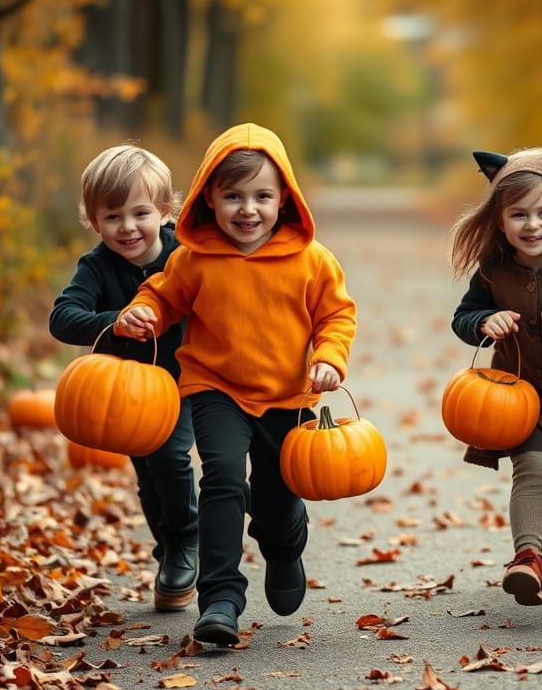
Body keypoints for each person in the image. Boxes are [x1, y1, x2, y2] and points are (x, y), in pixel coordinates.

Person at [114, 123, 357, 645]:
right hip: (214, 387)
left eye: (262, 197)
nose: (248, 210)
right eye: (233, 197)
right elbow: (161, 295)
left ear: (284, 199)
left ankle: (284, 543)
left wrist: (331, 358)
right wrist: (141, 312)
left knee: (276, 493)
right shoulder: (193, 258)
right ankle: (220, 598)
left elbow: (336, 316)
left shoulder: (311, 259)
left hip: (289, 396)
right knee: (222, 478)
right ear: (210, 199)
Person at [450, 138, 542, 605]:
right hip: (522, 400)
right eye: (518, 215)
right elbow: (463, 317)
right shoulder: (493, 271)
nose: (532, 225)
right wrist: (483, 323)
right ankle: (527, 557)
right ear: (499, 220)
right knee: (532, 468)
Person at [49, 144, 199, 613]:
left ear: (166, 210)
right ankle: (169, 551)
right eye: (112, 216)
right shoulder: (96, 267)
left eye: (140, 213)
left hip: (189, 378)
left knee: (173, 459)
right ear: (93, 219)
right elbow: (63, 317)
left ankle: (187, 542)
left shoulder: (187, 254)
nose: (128, 227)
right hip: (131, 395)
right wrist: (113, 321)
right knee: (150, 474)